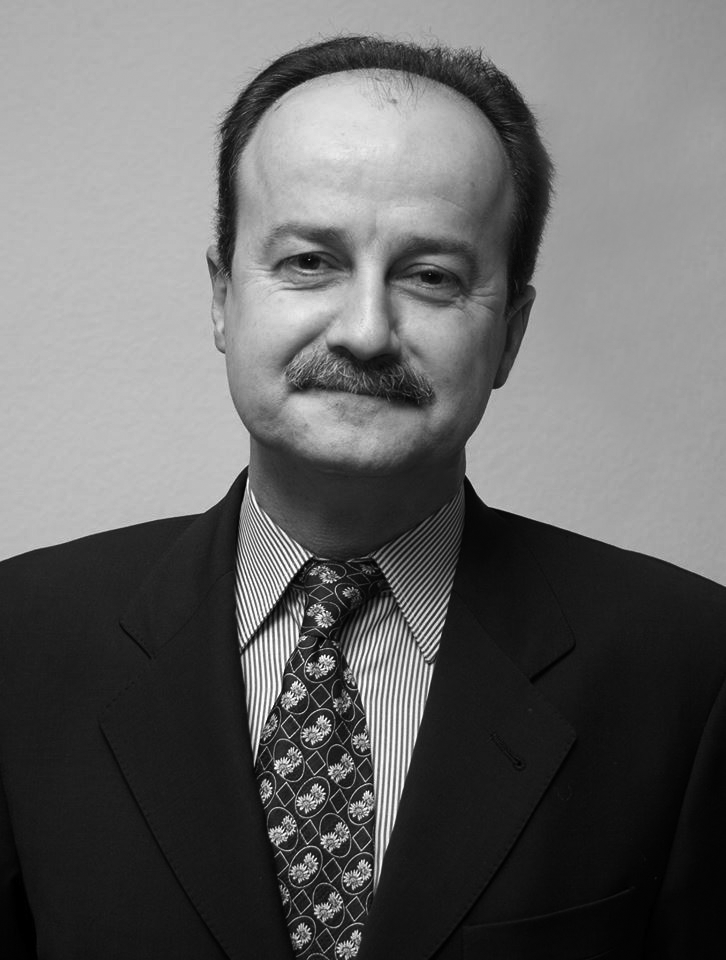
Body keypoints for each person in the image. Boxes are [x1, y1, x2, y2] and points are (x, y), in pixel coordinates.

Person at [1, 35, 724, 960]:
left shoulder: (691, 669)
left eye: (432, 277)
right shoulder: (17, 644)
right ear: (222, 297)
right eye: (310, 261)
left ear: (509, 334)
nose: (367, 330)